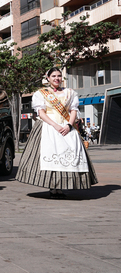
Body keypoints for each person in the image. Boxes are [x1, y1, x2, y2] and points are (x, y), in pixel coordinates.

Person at [16, 68, 97, 199]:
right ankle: (53, 186)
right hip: (49, 126)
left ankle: (61, 186)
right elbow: (41, 113)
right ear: (47, 78)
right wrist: (55, 125)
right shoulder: (41, 93)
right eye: (53, 76)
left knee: (70, 153)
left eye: (59, 76)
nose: (56, 78)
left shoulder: (70, 92)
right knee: (50, 154)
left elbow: (73, 110)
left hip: (66, 126)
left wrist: (69, 125)